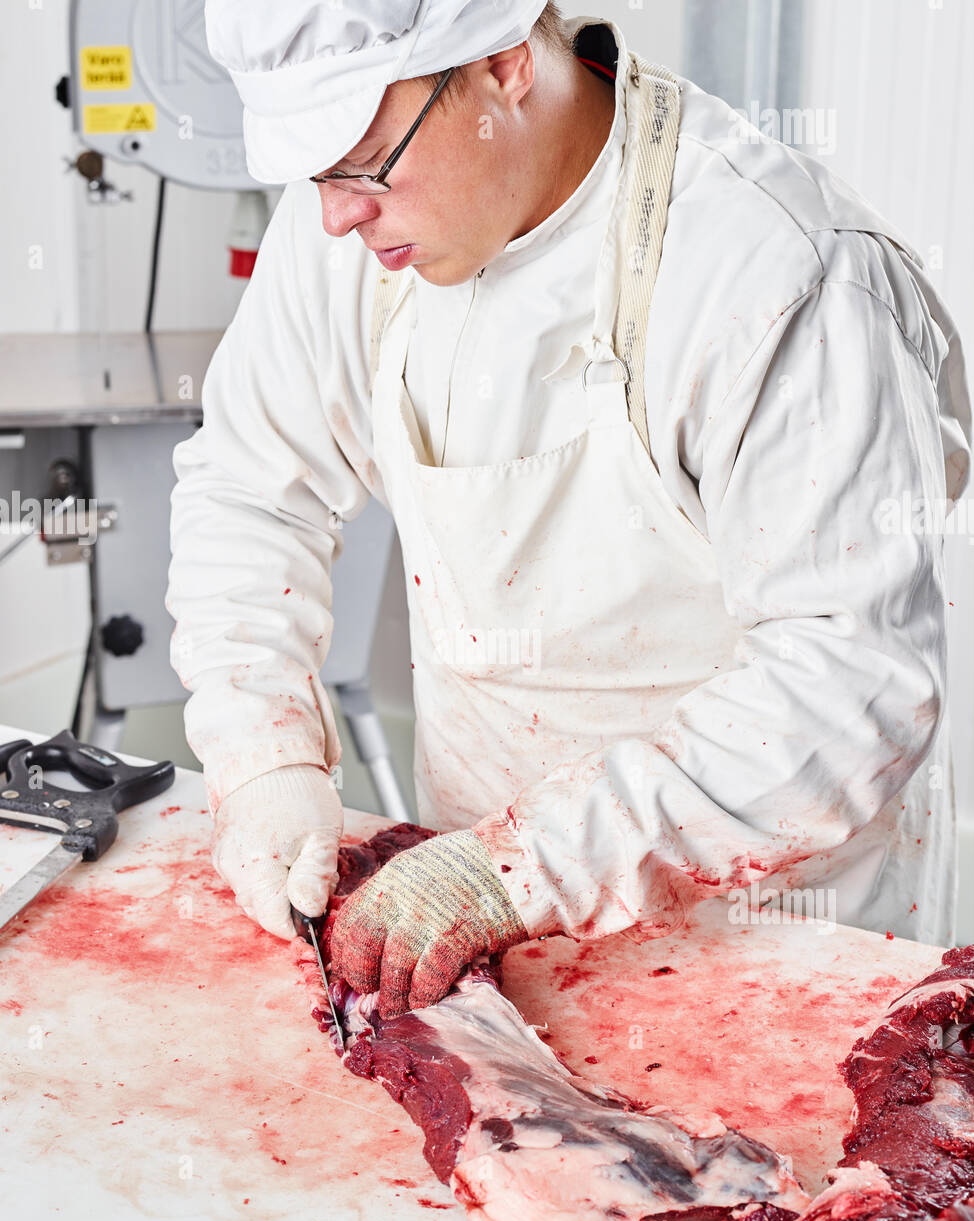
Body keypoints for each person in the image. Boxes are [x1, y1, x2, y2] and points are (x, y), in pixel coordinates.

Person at [167, 1, 971, 1019]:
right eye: (314, 172)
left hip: (772, 939)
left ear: (504, 61)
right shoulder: (347, 231)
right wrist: (263, 754)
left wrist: (512, 870)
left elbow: (845, 684)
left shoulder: (775, 271)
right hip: (487, 948)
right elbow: (249, 486)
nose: (335, 215)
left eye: (365, 160)